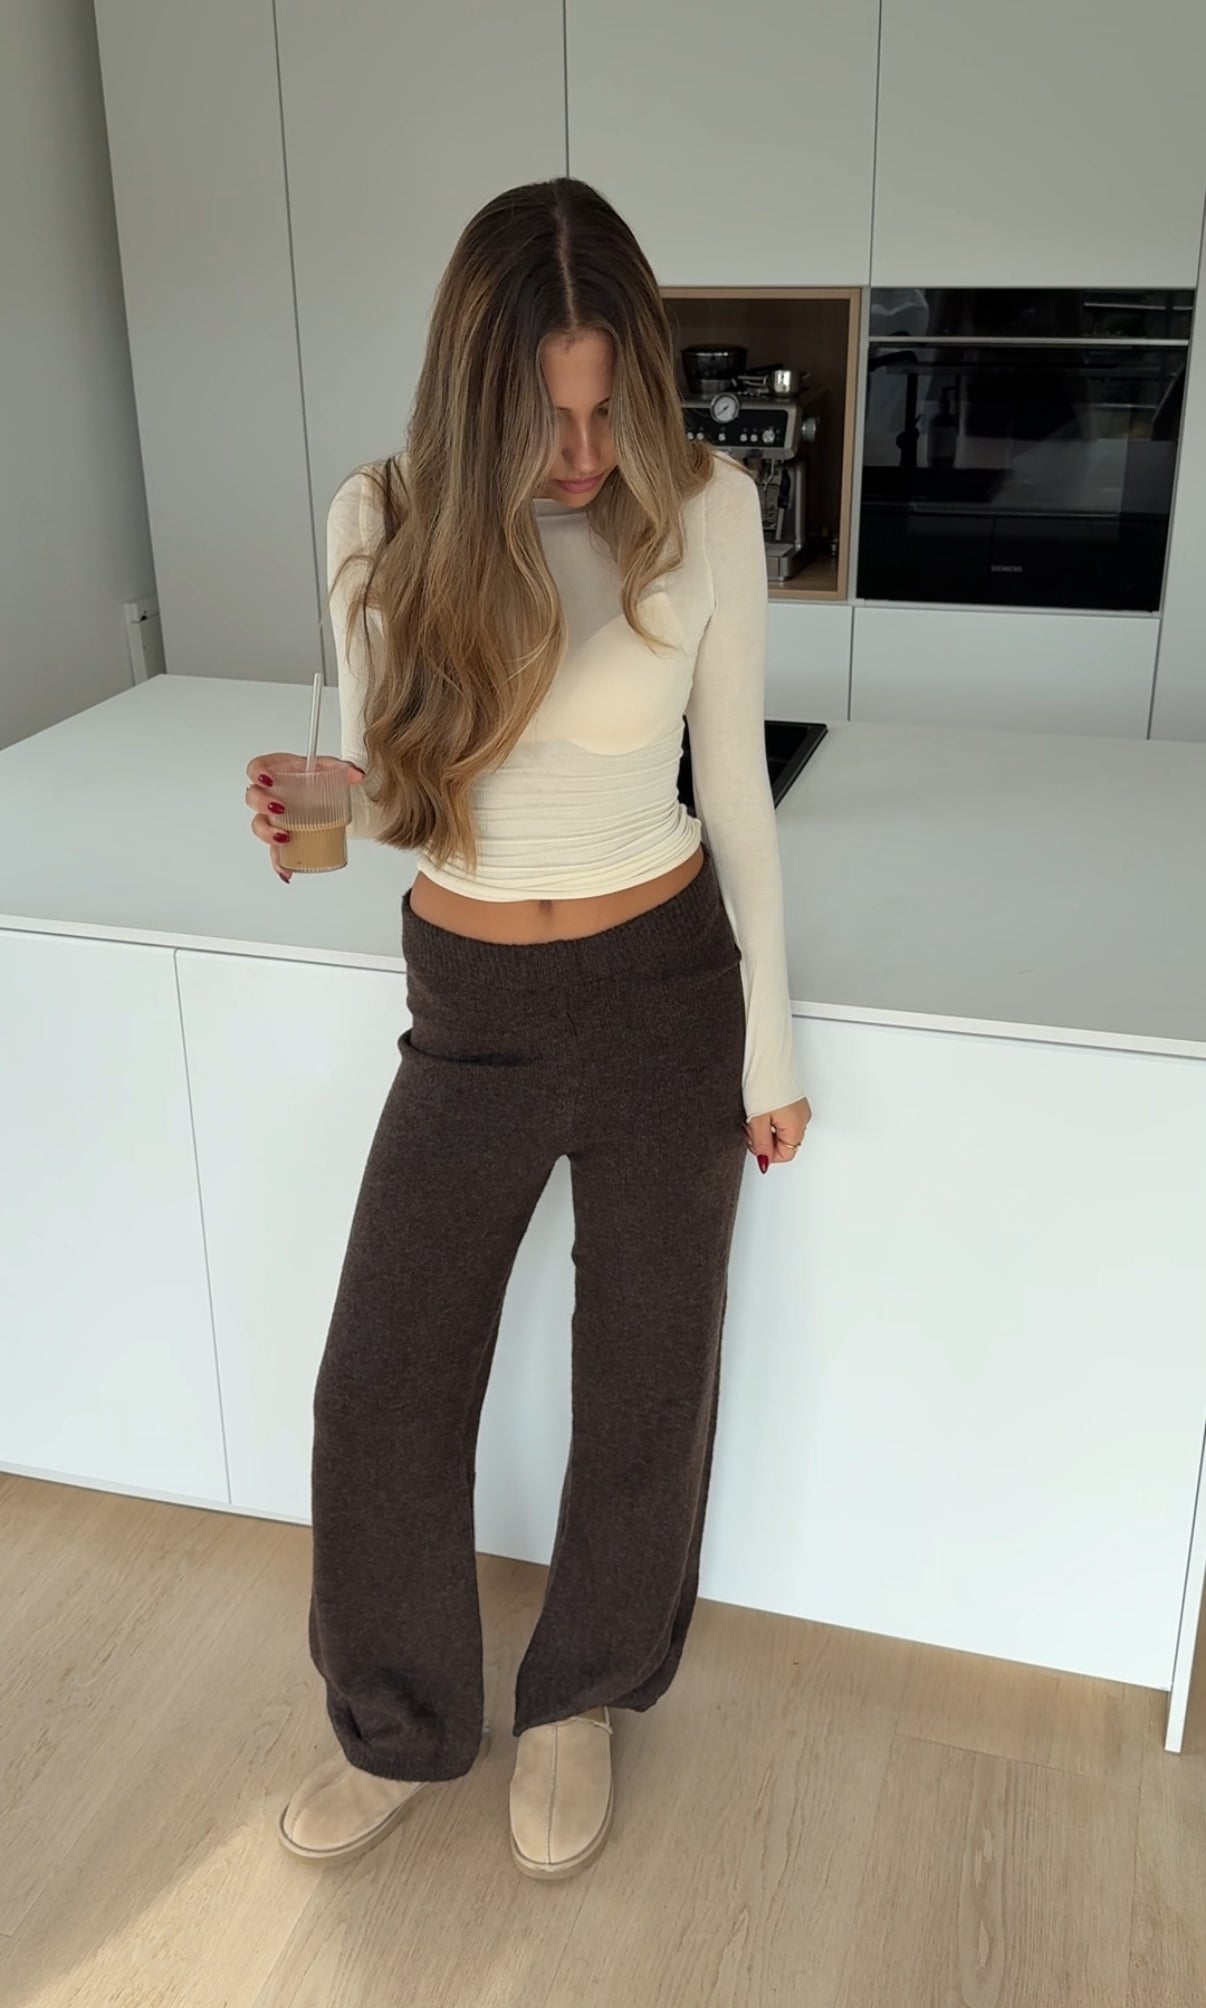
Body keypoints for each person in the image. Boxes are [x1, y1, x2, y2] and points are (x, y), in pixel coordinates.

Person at [244, 177, 812, 1881]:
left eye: (605, 410)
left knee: (646, 1379)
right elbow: (408, 804)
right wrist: (324, 798)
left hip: (663, 989)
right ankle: (399, 1726)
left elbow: (738, 794)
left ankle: (582, 1700)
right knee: (381, 1390)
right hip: (471, 1001)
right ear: (475, 394)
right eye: (546, 418)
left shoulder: (704, 506)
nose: (581, 455)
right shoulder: (378, 517)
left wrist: (767, 1043)